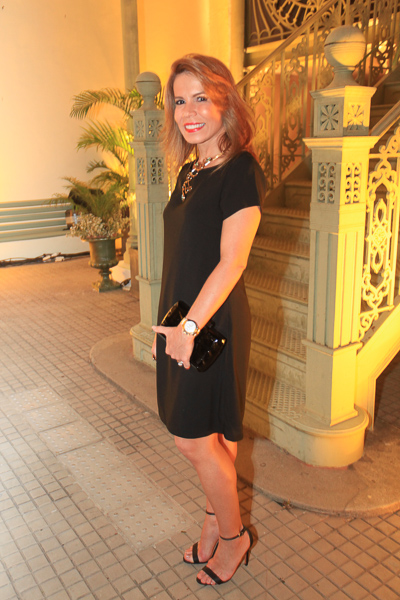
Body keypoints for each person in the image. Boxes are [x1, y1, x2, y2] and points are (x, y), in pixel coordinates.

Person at [151, 54, 265, 586]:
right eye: (180, 100)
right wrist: (171, 325)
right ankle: (215, 522)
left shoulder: (240, 170)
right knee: (215, 437)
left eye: (201, 98)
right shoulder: (190, 171)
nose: (189, 111)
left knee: (194, 440)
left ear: (226, 102)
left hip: (210, 324)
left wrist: (189, 329)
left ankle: (235, 536)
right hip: (183, 319)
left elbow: (232, 261)